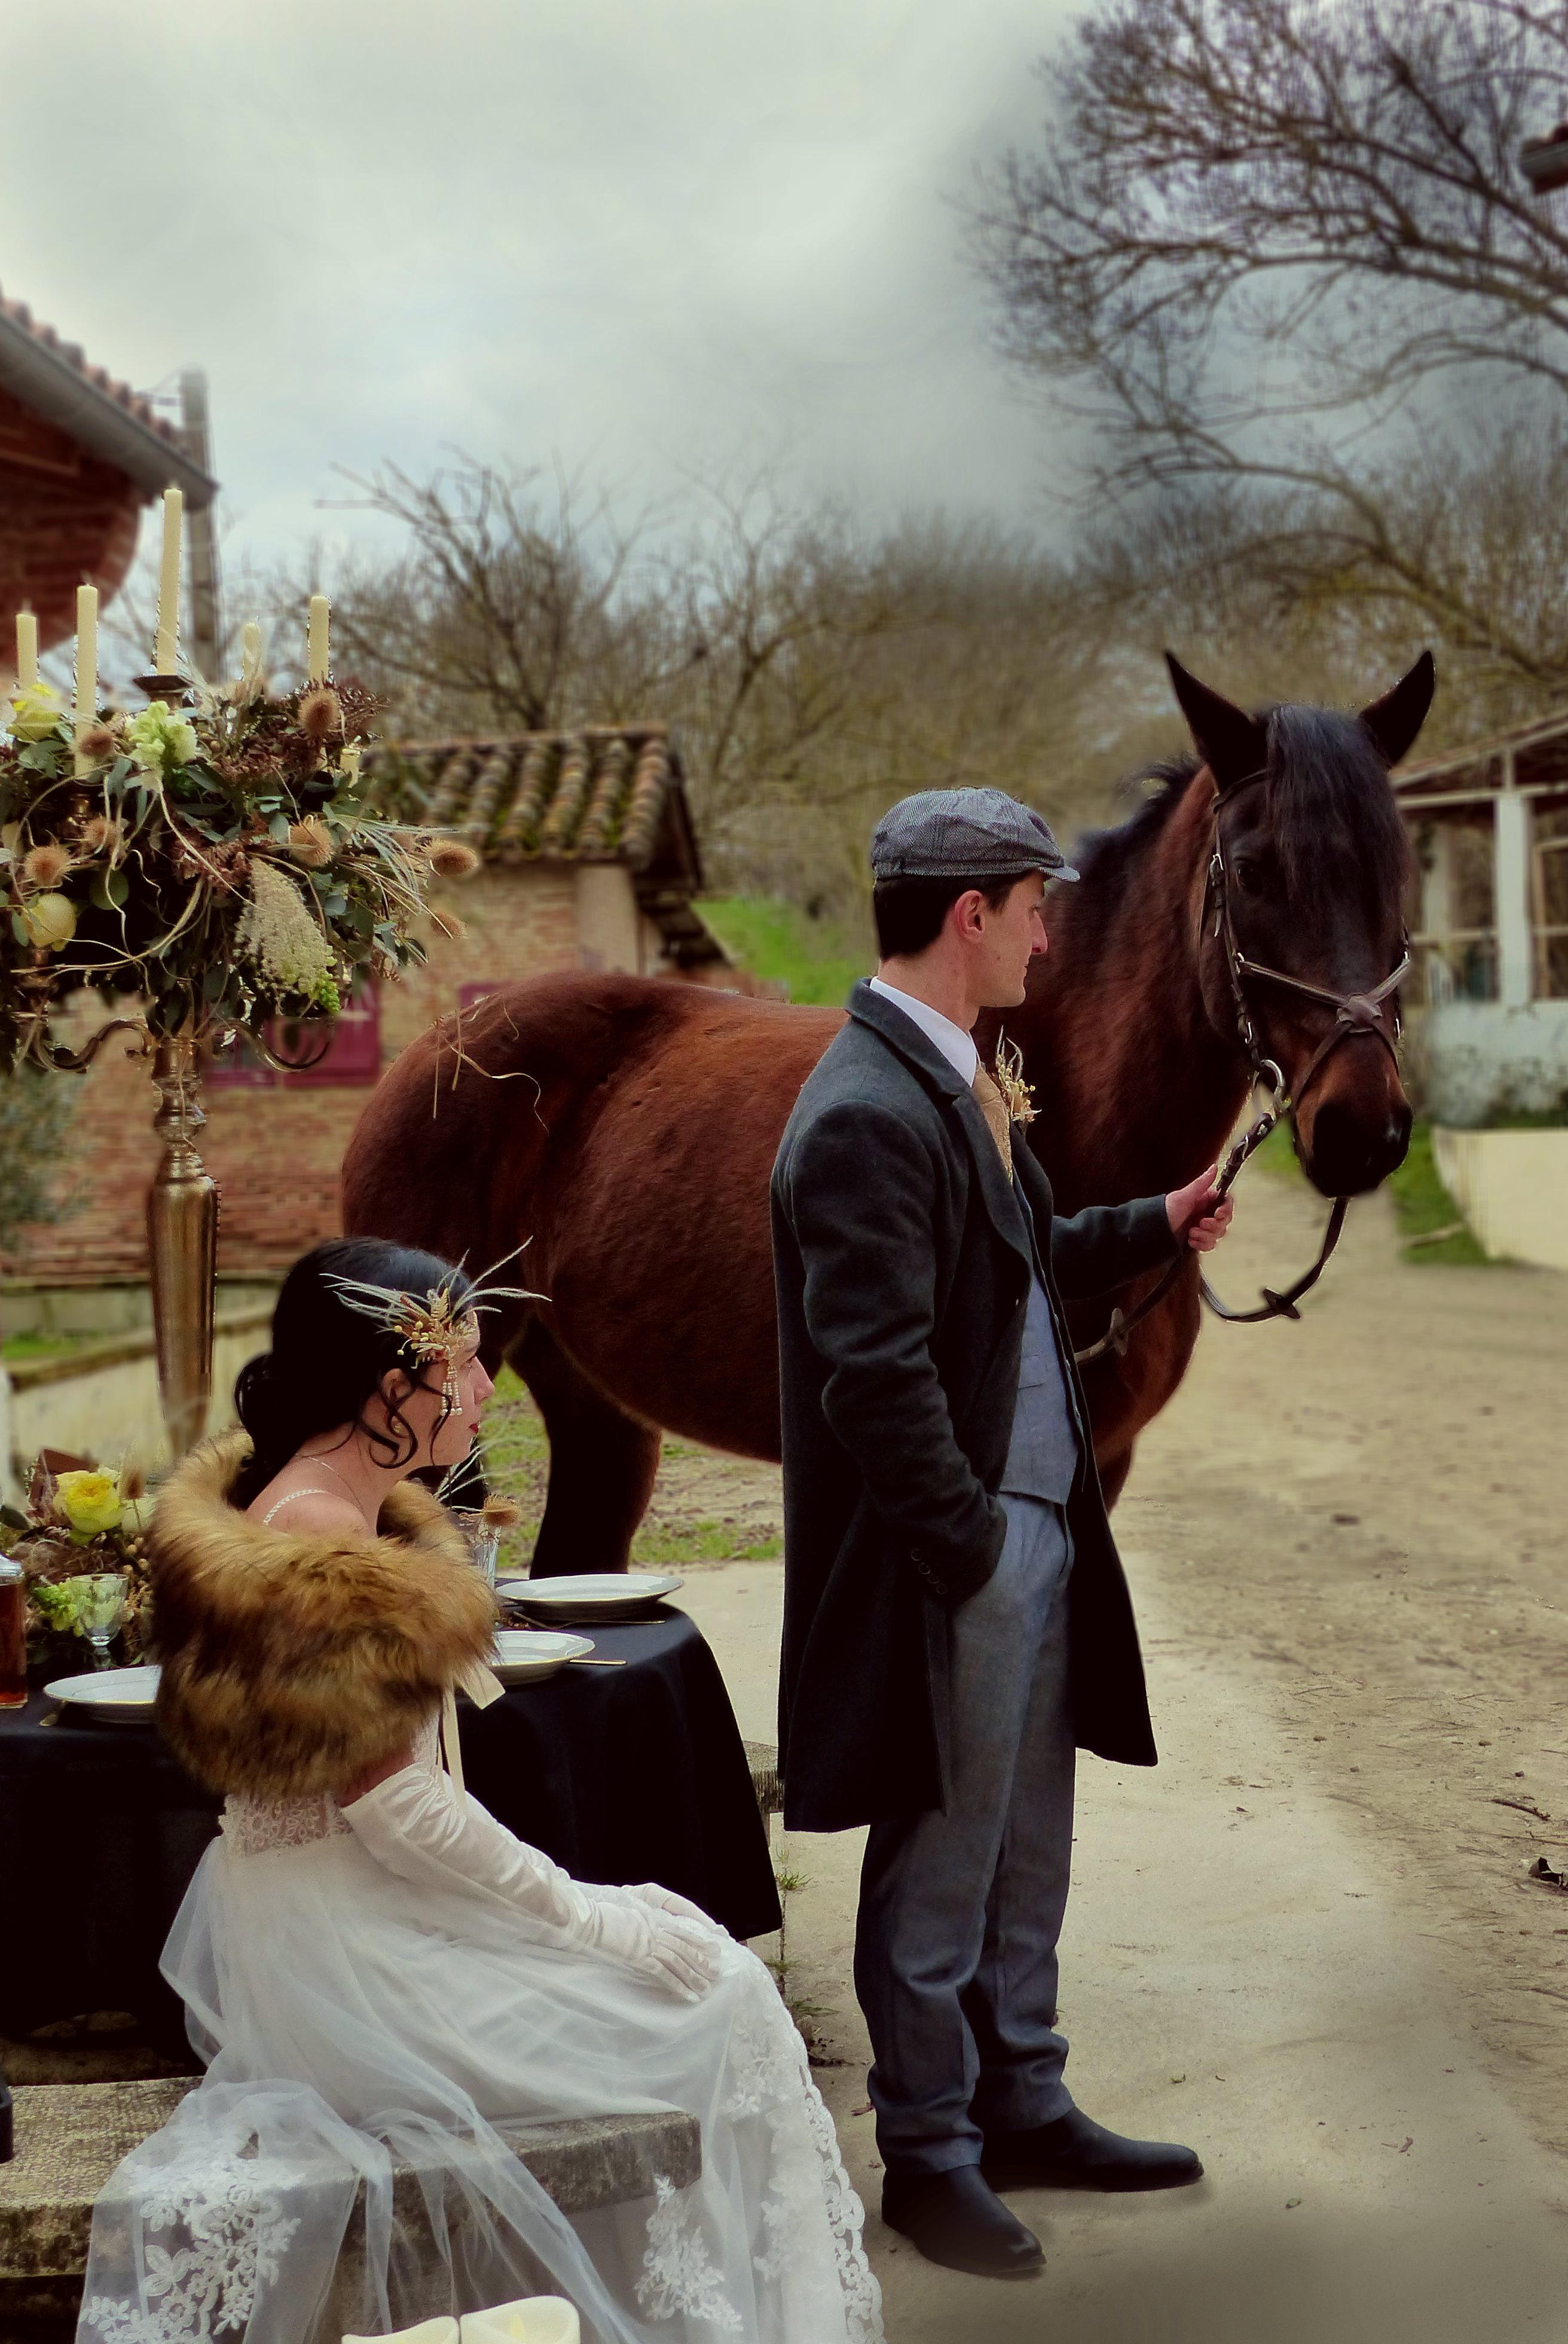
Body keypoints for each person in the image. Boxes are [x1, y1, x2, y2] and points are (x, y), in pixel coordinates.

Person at [78, 1236, 882, 2344]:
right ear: (385, 1381)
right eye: (458, 1359)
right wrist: (589, 1917)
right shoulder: (315, 1525)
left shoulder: (344, 1502)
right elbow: (396, 1806)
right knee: (719, 2006)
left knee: (705, 1973)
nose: (484, 1383)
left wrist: (595, 1916)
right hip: (341, 1947)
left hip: (349, 1906)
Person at [771, 789, 1233, 2281]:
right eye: (1037, 906)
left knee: (1028, 1836)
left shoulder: (960, 1075)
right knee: (940, 1856)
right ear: (969, 916)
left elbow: (1023, 1264)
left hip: (1034, 1529)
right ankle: (929, 2149)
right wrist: (967, 1543)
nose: (1051, 931)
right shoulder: (859, 1112)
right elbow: (873, 1372)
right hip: (959, 1554)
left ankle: (1022, 2097)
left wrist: (1158, 1215)